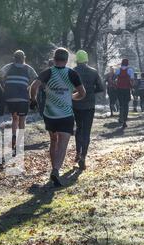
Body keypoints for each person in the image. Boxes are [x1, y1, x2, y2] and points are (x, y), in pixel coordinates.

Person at [30, 48, 86, 187]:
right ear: (67, 60)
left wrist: (33, 99)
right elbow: (83, 93)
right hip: (66, 114)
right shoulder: (72, 74)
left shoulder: (48, 72)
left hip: (49, 114)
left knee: (53, 140)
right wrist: (71, 97)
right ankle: (56, 170)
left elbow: (33, 86)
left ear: (54, 59)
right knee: (62, 143)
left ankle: (53, 168)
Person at [0, 50, 38, 157]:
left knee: (14, 117)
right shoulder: (28, 68)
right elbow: (36, 79)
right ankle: (19, 142)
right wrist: (29, 88)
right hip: (23, 98)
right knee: (22, 119)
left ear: (14, 58)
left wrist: (4, 87)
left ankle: (14, 136)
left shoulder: (8, 67)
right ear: (24, 58)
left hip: (10, 97)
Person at [73, 50, 104, 171]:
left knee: (79, 128)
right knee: (87, 131)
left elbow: (69, 87)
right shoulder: (94, 72)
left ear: (77, 60)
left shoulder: (73, 71)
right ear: (86, 60)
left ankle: (77, 152)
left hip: (76, 104)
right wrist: (90, 92)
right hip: (90, 105)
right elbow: (100, 88)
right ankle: (83, 157)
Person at [114, 59, 134, 128]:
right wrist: (132, 88)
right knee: (126, 105)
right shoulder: (130, 70)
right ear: (127, 64)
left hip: (119, 89)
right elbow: (132, 80)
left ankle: (120, 118)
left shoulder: (118, 70)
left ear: (122, 63)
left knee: (121, 105)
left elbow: (114, 78)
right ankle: (125, 121)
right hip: (127, 90)